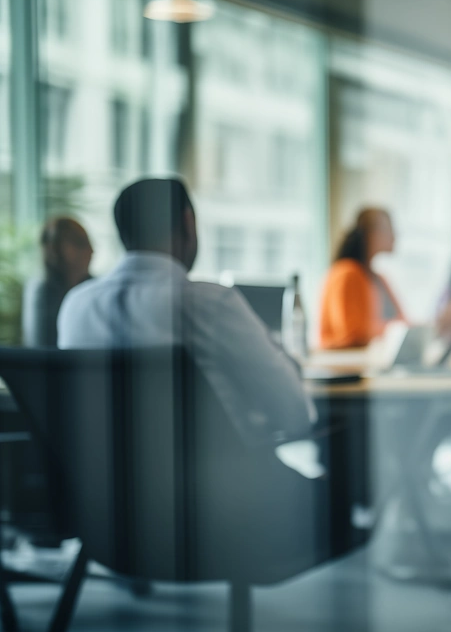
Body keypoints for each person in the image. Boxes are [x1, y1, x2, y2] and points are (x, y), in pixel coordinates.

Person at [58, 178, 314, 448]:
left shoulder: (75, 305)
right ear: (188, 222)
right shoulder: (207, 303)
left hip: (98, 483)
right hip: (222, 483)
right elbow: (293, 413)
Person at [319, 208, 406, 349]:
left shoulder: (378, 278)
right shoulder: (347, 273)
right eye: (388, 229)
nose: (394, 236)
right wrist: (394, 330)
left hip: (371, 359)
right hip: (346, 364)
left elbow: (403, 322)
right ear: (370, 234)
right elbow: (354, 333)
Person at [23, 217, 93, 348]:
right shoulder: (42, 291)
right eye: (81, 243)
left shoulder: (93, 287)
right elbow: (42, 349)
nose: (91, 251)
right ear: (55, 250)